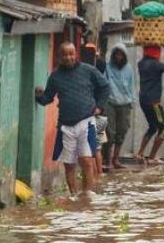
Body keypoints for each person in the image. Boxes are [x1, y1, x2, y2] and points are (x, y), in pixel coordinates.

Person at [35, 41, 110, 195]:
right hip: (66, 126)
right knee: (69, 164)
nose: (68, 57)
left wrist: (100, 107)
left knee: (87, 161)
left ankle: (87, 195)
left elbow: (105, 86)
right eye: (64, 54)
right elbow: (48, 98)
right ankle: (74, 196)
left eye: (71, 54)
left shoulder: (88, 70)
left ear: (75, 55)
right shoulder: (55, 76)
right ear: (59, 57)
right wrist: (39, 96)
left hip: (87, 121)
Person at [136, 45, 164, 165]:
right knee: (163, 130)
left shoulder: (141, 64)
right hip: (154, 102)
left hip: (143, 101)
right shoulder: (155, 65)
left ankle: (140, 153)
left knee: (153, 127)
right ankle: (151, 158)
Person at [103, 44, 134, 170]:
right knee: (109, 132)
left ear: (124, 56)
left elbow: (132, 86)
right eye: (116, 54)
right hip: (110, 103)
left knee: (122, 130)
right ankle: (108, 160)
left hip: (125, 103)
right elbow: (104, 83)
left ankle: (116, 159)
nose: (118, 57)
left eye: (121, 55)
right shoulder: (107, 67)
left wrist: (132, 101)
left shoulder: (129, 69)